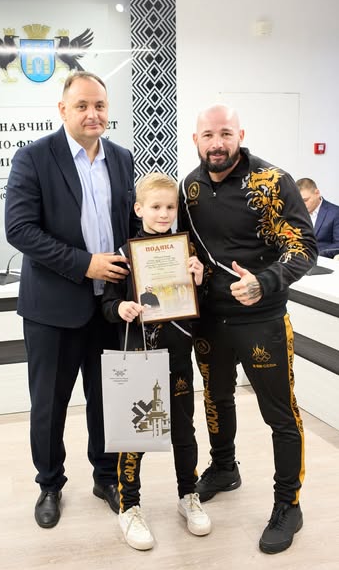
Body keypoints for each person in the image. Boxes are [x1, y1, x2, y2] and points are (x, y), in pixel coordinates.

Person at [178, 104, 318, 555]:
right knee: (216, 398)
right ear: (196, 139)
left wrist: (265, 281)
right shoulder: (190, 186)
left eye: (225, 133)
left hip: (262, 320)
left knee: (280, 414)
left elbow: (304, 247)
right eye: (208, 135)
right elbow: (187, 245)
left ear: (240, 134)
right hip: (209, 320)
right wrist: (189, 266)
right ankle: (224, 468)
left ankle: (288, 504)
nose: (216, 143)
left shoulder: (273, 181)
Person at [5, 71, 140, 528]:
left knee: (107, 400)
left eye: (99, 105)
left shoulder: (121, 158)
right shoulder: (34, 158)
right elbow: (20, 230)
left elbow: (130, 227)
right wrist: (85, 264)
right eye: (82, 105)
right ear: (63, 110)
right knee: (50, 404)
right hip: (53, 309)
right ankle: (49, 484)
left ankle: (106, 477)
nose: (92, 113)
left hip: (110, 307)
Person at [102, 172, 211, 551]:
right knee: (135, 435)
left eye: (170, 207)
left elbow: (199, 305)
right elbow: (107, 305)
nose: (163, 214)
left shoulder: (186, 252)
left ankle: (188, 495)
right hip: (140, 357)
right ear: (139, 209)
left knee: (183, 430)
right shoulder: (123, 254)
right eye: (156, 207)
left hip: (178, 355)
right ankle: (129, 506)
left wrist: (200, 280)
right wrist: (121, 308)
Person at [295, 177, 339, 258]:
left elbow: (338, 245)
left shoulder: (335, 213)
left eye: (305, 200)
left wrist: (312, 253)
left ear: (317, 193)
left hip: (322, 261)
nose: (302, 205)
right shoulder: (295, 213)